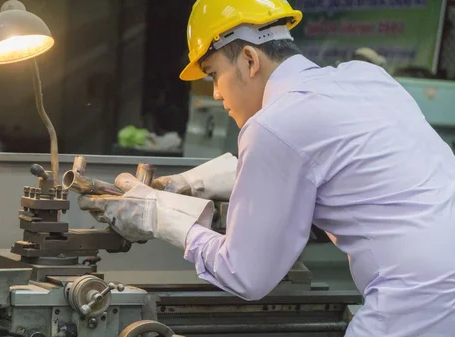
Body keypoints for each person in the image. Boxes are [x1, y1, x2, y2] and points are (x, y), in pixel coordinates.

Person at [78, 1, 455, 336]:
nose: (216, 94)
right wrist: (189, 183)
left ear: (250, 60)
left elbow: (246, 274)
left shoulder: (274, 124)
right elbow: (320, 158)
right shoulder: (366, 77)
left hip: (419, 298)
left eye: (212, 74)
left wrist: (160, 217)